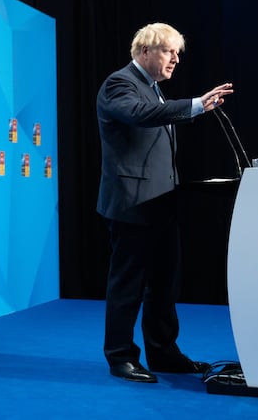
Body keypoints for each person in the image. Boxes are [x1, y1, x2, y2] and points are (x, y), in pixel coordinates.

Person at [96, 22, 233, 383]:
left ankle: (163, 353)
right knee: (128, 285)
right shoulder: (120, 84)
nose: (175, 60)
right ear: (145, 52)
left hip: (161, 204)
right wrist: (195, 105)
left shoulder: (154, 89)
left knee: (164, 284)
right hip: (132, 204)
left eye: (177, 53)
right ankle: (121, 357)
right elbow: (139, 116)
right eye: (169, 52)